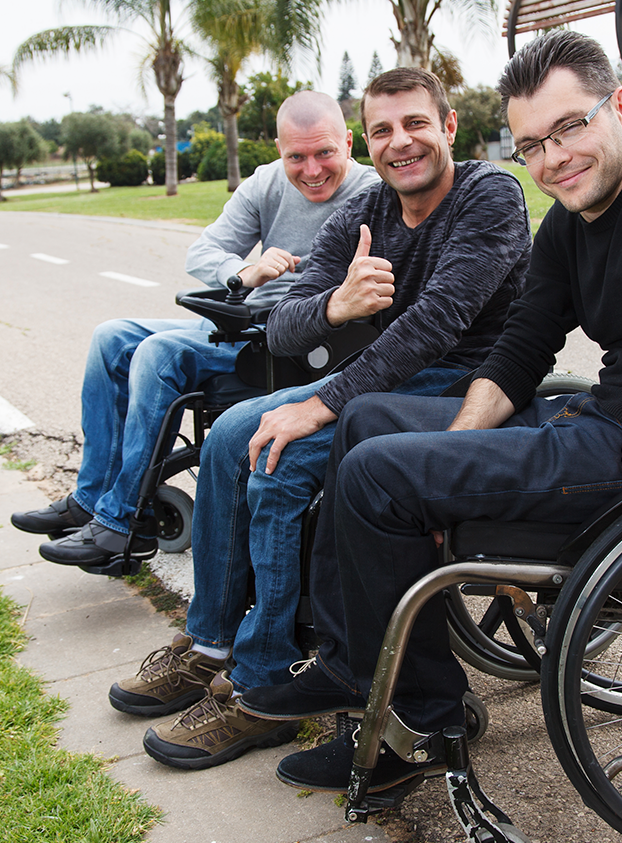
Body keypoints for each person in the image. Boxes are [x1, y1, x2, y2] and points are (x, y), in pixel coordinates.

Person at [239, 30, 622, 794]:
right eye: (533, 144)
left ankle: (425, 724)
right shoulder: (572, 222)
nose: (554, 157)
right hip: (600, 425)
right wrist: (454, 459)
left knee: (374, 477)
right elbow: (520, 352)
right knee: (367, 425)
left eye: (570, 128)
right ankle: (352, 663)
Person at [108, 67, 533, 771]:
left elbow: (437, 324)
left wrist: (321, 402)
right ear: (369, 141)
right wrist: (338, 305)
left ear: (449, 127)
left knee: (275, 459)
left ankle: (261, 680)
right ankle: (210, 642)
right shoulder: (369, 208)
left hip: (465, 388)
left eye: (416, 124)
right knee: (233, 435)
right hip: (382, 383)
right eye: (383, 130)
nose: (401, 143)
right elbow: (281, 326)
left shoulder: (489, 194)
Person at [12, 91, 380, 566]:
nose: (311, 170)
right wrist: (246, 273)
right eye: (296, 157)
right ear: (278, 149)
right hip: (248, 319)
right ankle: (91, 497)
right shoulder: (266, 183)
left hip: (301, 341)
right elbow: (201, 253)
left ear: (348, 142)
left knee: (159, 354)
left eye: (324, 153)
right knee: (112, 336)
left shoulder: (371, 191)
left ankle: (124, 521)